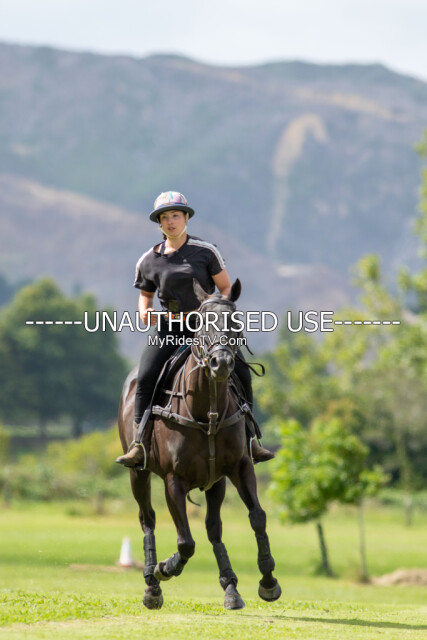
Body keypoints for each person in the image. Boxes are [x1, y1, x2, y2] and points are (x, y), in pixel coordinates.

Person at [116, 191, 273, 468]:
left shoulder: (206, 251)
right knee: (146, 377)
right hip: (169, 327)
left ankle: (252, 440)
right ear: (159, 223)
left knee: (241, 372)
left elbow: (225, 287)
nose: (170, 221)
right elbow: (145, 295)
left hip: (206, 328)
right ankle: (139, 444)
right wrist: (144, 311)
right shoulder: (148, 260)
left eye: (175, 215)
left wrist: (217, 310)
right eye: (165, 217)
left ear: (186, 218)